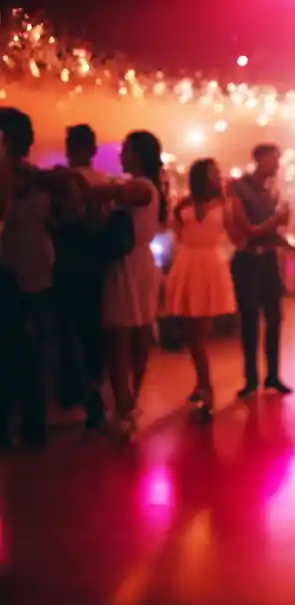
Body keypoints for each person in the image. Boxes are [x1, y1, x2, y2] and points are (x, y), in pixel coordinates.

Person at [0, 108, 81, 447]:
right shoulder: (31, 179)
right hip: (17, 268)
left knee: (25, 349)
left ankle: (25, 426)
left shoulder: (41, 179)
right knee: (22, 349)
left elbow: (70, 212)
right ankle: (23, 426)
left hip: (29, 270)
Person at [81, 130, 167, 442]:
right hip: (140, 264)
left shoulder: (141, 186)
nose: (120, 155)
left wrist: (84, 186)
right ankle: (129, 405)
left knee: (120, 336)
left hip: (127, 265)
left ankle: (124, 408)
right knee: (138, 334)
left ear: (138, 154)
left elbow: (114, 195)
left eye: (125, 150)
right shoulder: (147, 186)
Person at [163, 159, 237, 421]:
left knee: (198, 336)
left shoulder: (225, 204)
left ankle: (206, 388)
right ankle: (201, 384)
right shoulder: (181, 204)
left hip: (209, 266)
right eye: (213, 172)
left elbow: (237, 235)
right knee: (193, 334)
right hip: (188, 264)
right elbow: (175, 232)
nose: (218, 176)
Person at [52, 124, 109, 428]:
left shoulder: (63, 180)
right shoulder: (103, 181)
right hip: (94, 266)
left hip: (68, 265)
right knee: (91, 334)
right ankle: (92, 394)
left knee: (71, 332)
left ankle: (80, 393)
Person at [228, 144, 292, 397]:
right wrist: (275, 221)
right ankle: (251, 379)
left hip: (268, 260)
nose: (277, 166)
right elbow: (247, 229)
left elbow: (269, 231)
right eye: (274, 160)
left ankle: (273, 376)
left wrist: (281, 230)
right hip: (247, 261)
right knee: (250, 321)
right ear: (260, 160)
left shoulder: (269, 191)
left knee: (274, 319)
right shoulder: (237, 187)